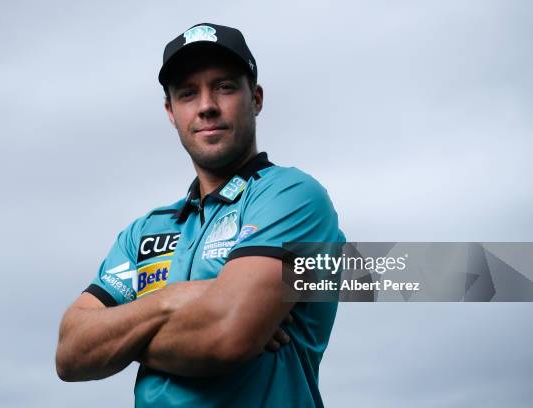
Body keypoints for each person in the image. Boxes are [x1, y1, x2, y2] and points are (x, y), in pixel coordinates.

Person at [56, 22, 346, 407]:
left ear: (255, 99)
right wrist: (171, 301)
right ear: (171, 112)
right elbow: (70, 352)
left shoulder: (292, 196)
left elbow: (227, 334)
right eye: (188, 93)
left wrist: (118, 340)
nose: (207, 105)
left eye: (224, 87)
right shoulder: (144, 231)